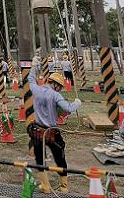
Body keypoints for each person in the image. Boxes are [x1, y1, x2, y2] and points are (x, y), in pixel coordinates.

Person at [27, 64, 81, 193]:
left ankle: (45, 186)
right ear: (56, 85)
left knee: (40, 158)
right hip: (52, 132)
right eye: (60, 87)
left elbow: (30, 78)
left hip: (38, 130)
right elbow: (68, 109)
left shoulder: (36, 89)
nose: (60, 90)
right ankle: (64, 186)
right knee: (60, 157)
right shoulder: (55, 95)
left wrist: (34, 66)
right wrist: (77, 103)